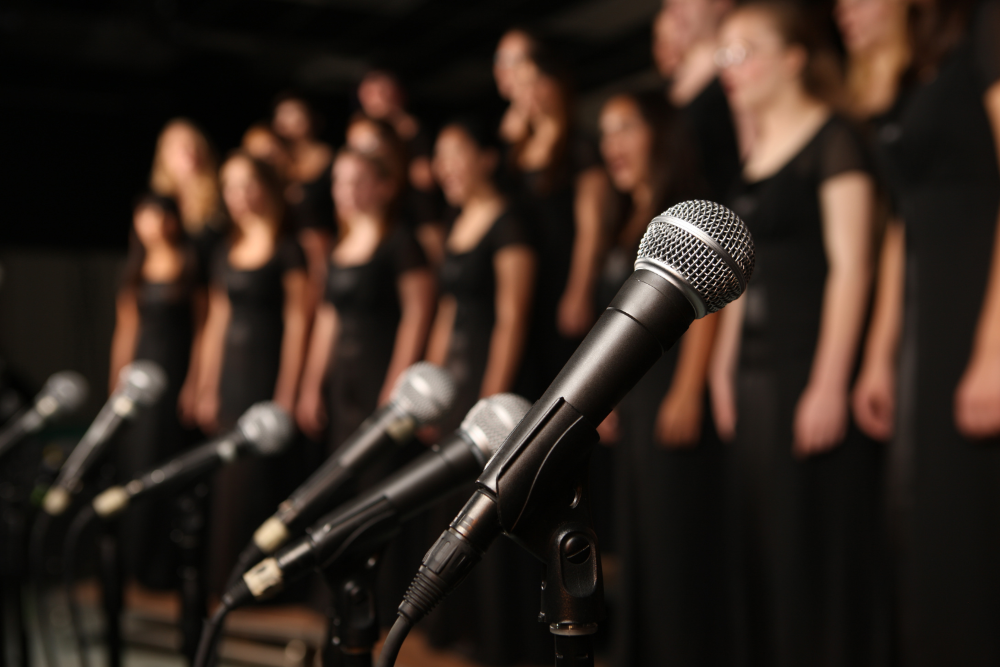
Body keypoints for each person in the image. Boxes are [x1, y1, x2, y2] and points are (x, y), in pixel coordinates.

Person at [710, 2, 883, 665]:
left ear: (794, 57)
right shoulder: (750, 162)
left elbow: (853, 265)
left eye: (743, 50)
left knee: (811, 544)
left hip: (805, 368)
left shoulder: (833, 138)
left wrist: (830, 381)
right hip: (751, 378)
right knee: (762, 546)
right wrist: (723, 370)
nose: (731, 67)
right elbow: (737, 279)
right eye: (722, 55)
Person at [851, 1, 1000, 664]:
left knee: (966, 516)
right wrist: (881, 355)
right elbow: (899, 226)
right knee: (919, 522)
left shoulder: (984, 31)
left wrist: (995, 347)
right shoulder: (905, 75)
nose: (843, 11)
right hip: (925, 319)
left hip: (977, 303)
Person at [598, 91, 728, 667]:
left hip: (674, 383)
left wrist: (689, 387)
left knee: (676, 538)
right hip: (639, 392)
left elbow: (707, 304)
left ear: (659, 132)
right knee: (642, 538)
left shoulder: (685, 208)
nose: (613, 146)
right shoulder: (626, 214)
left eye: (625, 128)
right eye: (605, 133)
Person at [422, 119, 546, 665]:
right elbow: (448, 310)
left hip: (493, 381)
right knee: (451, 502)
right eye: (438, 157)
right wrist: (432, 379)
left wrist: (490, 402)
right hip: (457, 379)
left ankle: (498, 636)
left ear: (487, 158)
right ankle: (456, 625)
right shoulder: (457, 220)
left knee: (491, 507)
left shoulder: (509, 223)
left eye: (456, 154)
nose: (444, 167)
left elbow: (512, 317)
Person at [196, 152, 310, 594]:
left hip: (267, 374)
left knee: (262, 482)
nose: (239, 195)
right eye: (230, 186)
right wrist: (205, 385)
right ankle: (227, 583)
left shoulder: (288, 248)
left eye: (247, 184)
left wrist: (287, 391)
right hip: (232, 378)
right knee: (228, 484)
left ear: (266, 186)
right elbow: (217, 323)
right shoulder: (226, 248)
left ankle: (266, 589)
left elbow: (300, 321)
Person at [296, 149, 435, 452]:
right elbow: (328, 318)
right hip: (344, 380)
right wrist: (311, 385)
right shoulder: (338, 247)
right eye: (340, 182)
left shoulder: (400, 242)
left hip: (381, 371)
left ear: (384, 187)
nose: (347, 192)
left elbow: (417, 314)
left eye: (358, 182)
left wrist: (397, 385)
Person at [501, 40, 609, 396]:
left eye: (533, 81)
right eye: (519, 84)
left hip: (562, 276)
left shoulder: (578, 148)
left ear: (555, 84)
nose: (525, 92)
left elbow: (592, 226)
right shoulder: (517, 152)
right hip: (526, 281)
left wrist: (578, 289)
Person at [109, 193, 204, 589]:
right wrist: (118, 385)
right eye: (145, 215)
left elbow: (203, 328)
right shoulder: (135, 268)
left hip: (177, 370)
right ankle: (133, 562)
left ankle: (163, 568)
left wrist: (198, 381)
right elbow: (126, 330)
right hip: (142, 374)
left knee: (168, 460)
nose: (154, 224)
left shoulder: (190, 264)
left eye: (161, 215)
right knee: (136, 461)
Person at [654, 0, 743, 200]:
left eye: (683, 2)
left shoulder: (738, 71)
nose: (675, 11)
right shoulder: (668, 87)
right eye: (668, 5)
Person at [272, 94, 336, 311]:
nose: (290, 120)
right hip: (285, 251)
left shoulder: (328, 158)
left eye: (296, 113)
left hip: (318, 248)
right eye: (284, 114)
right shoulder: (277, 161)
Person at [149, 119, 227, 274]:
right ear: (164, 155)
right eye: (181, 148)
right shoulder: (157, 203)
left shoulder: (221, 197)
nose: (190, 153)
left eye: (195, 146)